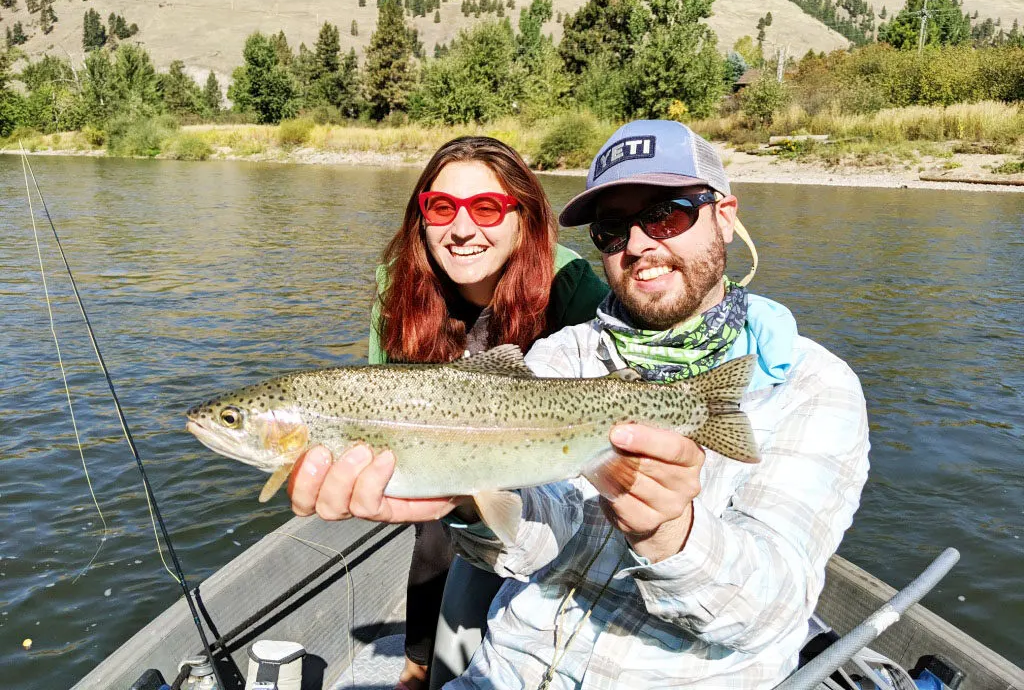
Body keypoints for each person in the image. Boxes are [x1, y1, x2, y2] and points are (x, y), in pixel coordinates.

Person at [290, 121, 871, 689]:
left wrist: (672, 532)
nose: (639, 244)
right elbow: (544, 532)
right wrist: (466, 494)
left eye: (667, 213)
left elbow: (770, 613)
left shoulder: (812, 385)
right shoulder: (564, 355)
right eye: (613, 228)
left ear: (724, 215)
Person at [360, 135, 608, 690]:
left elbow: (633, 344)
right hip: (443, 456)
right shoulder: (397, 285)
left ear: (525, 219)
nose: (463, 229)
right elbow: (381, 395)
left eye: (487, 208)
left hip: (551, 455)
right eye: (442, 208)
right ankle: (419, 664)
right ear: (421, 218)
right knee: (433, 534)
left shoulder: (569, 284)